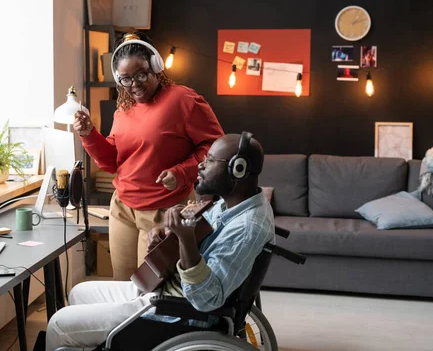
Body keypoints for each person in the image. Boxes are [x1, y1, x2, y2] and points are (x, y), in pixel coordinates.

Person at [38, 133, 274, 351]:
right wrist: (166, 233)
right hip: (167, 290)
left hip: (175, 312)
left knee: (59, 324)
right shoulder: (231, 203)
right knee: (79, 292)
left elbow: (207, 299)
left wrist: (185, 239)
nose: (201, 164)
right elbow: (199, 237)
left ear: (238, 170)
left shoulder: (247, 227)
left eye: (211, 160)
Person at [74, 32, 224, 280]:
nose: (135, 85)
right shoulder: (123, 109)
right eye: (126, 79)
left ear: (156, 67)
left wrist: (182, 172)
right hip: (123, 209)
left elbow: (216, 147)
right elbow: (112, 161)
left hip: (164, 211)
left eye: (142, 75)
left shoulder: (183, 100)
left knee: (151, 289)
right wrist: (89, 134)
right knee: (122, 285)